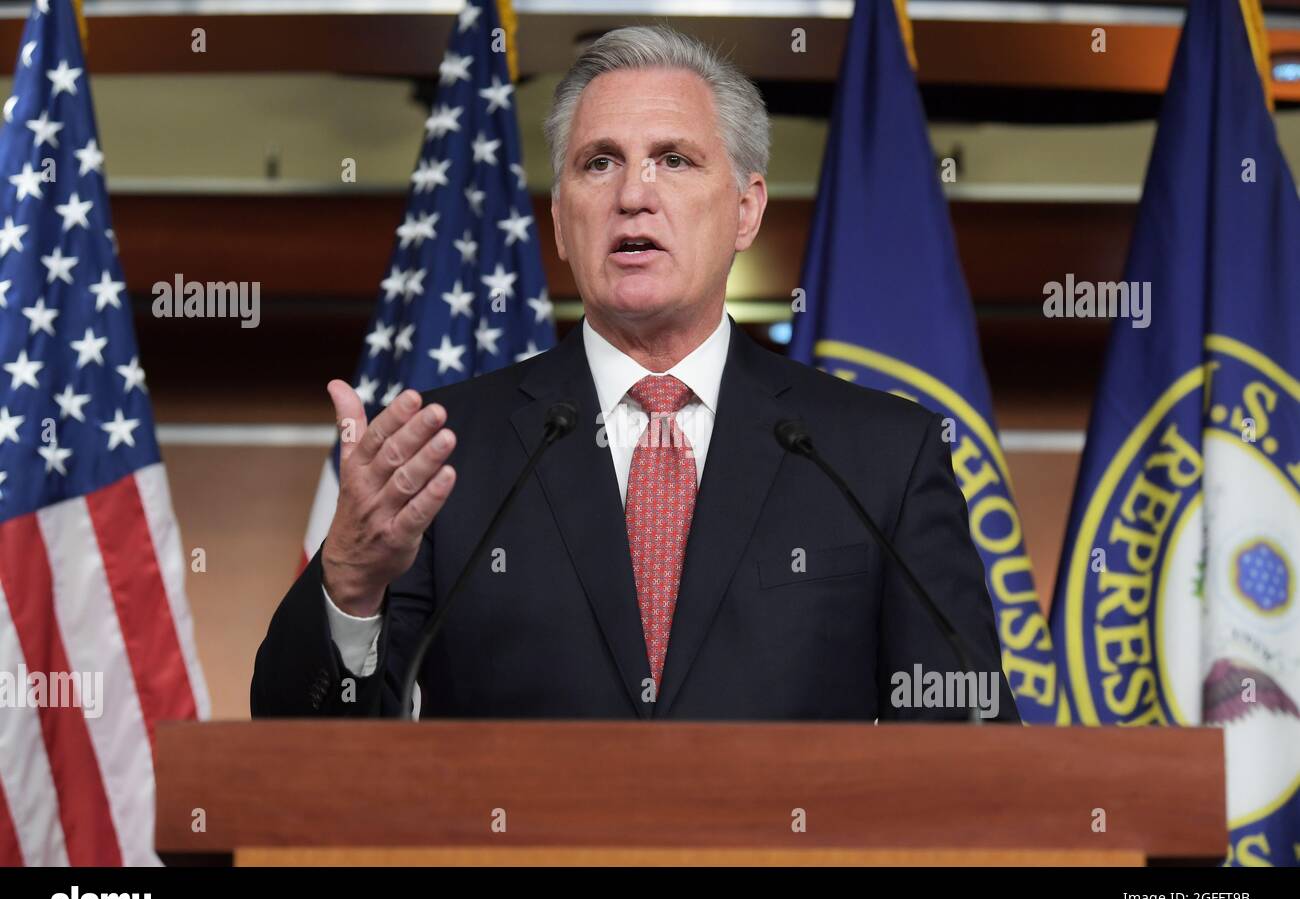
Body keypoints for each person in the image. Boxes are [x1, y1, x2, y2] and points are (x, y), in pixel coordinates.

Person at [251, 25, 1020, 723]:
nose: (632, 196)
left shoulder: (879, 454)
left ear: (746, 210)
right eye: (599, 163)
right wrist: (349, 586)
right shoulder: (448, 453)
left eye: (674, 160)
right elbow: (306, 751)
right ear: (559, 218)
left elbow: (971, 743)